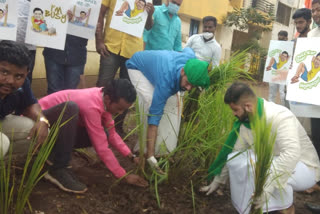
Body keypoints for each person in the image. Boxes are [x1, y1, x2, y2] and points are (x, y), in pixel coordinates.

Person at [201, 82, 320, 214]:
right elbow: (234, 153)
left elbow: (292, 154)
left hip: (305, 167)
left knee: (265, 169)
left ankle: (285, 208)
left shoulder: (280, 116)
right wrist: (219, 180)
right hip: (275, 161)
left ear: (248, 106)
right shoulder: (246, 123)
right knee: (240, 161)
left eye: (235, 110)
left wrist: (267, 187)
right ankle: (258, 207)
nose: (234, 114)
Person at [39, 79, 148, 193]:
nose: (120, 113)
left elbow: (112, 134)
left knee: (105, 133)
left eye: (124, 110)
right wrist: (123, 175)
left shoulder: (104, 99)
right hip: (38, 124)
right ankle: (58, 168)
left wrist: (132, 156)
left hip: (55, 128)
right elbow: (101, 147)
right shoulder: (91, 105)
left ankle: (53, 152)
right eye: (119, 108)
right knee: (71, 108)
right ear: (108, 99)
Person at [0, 41, 80, 194]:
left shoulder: (23, 84)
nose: (10, 81)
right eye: (4, 72)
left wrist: (42, 120)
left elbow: (31, 105)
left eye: (18, 76)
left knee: (37, 130)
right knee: (1, 142)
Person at [126, 47, 210, 172]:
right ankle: (145, 151)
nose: (188, 88)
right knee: (151, 104)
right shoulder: (165, 82)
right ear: (182, 71)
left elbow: (188, 49)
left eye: (192, 85)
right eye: (188, 83)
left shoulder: (191, 60)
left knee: (173, 104)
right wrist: (150, 156)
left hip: (160, 67)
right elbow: (154, 119)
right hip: (136, 66)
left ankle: (162, 148)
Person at [95, 0, 154, 136]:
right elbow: (100, 13)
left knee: (128, 91)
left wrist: (150, 14)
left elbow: (148, 26)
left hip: (133, 52)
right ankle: (96, 126)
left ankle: (117, 128)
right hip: (110, 47)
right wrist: (98, 40)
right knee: (102, 87)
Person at [184, 15, 221, 122]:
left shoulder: (216, 47)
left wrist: (212, 83)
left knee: (193, 100)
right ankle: (179, 116)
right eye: (205, 27)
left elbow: (215, 66)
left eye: (210, 27)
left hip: (199, 78)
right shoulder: (194, 38)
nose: (207, 30)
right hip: (185, 73)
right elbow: (184, 54)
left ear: (215, 28)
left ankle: (190, 121)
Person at [302, 1, 320, 211]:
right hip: (316, 100)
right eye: (314, 10)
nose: (315, 13)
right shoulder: (312, 36)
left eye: (318, 10)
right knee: (317, 139)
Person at [17, 0, 37, 84]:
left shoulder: (39, 2)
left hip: (29, 47)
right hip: (5, 45)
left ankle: (24, 97)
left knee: (25, 79)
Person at [267, 31, 288, 106]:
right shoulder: (274, 46)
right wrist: (267, 59)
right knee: (272, 93)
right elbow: (272, 57)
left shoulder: (289, 48)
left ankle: (284, 110)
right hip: (274, 72)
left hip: (284, 73)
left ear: (286, 38)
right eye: (279, 38)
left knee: (282, 94)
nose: (280, 40)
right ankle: (270, 109)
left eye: (282, 38)